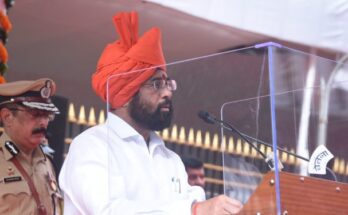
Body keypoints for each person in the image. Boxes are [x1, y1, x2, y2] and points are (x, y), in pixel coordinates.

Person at [59, 11, 242, 215]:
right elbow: (110, 211)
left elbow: (194, 204)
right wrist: (194, 210)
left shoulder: (170, 159)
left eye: (167, 83)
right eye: (156, 84)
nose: (167, 93)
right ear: (126, 94)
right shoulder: (91, 146)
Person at [0, 78, 62, 215]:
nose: (43, 122)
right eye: (36, 114)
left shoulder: (46, 161)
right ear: (7, 117)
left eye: (47, 115)